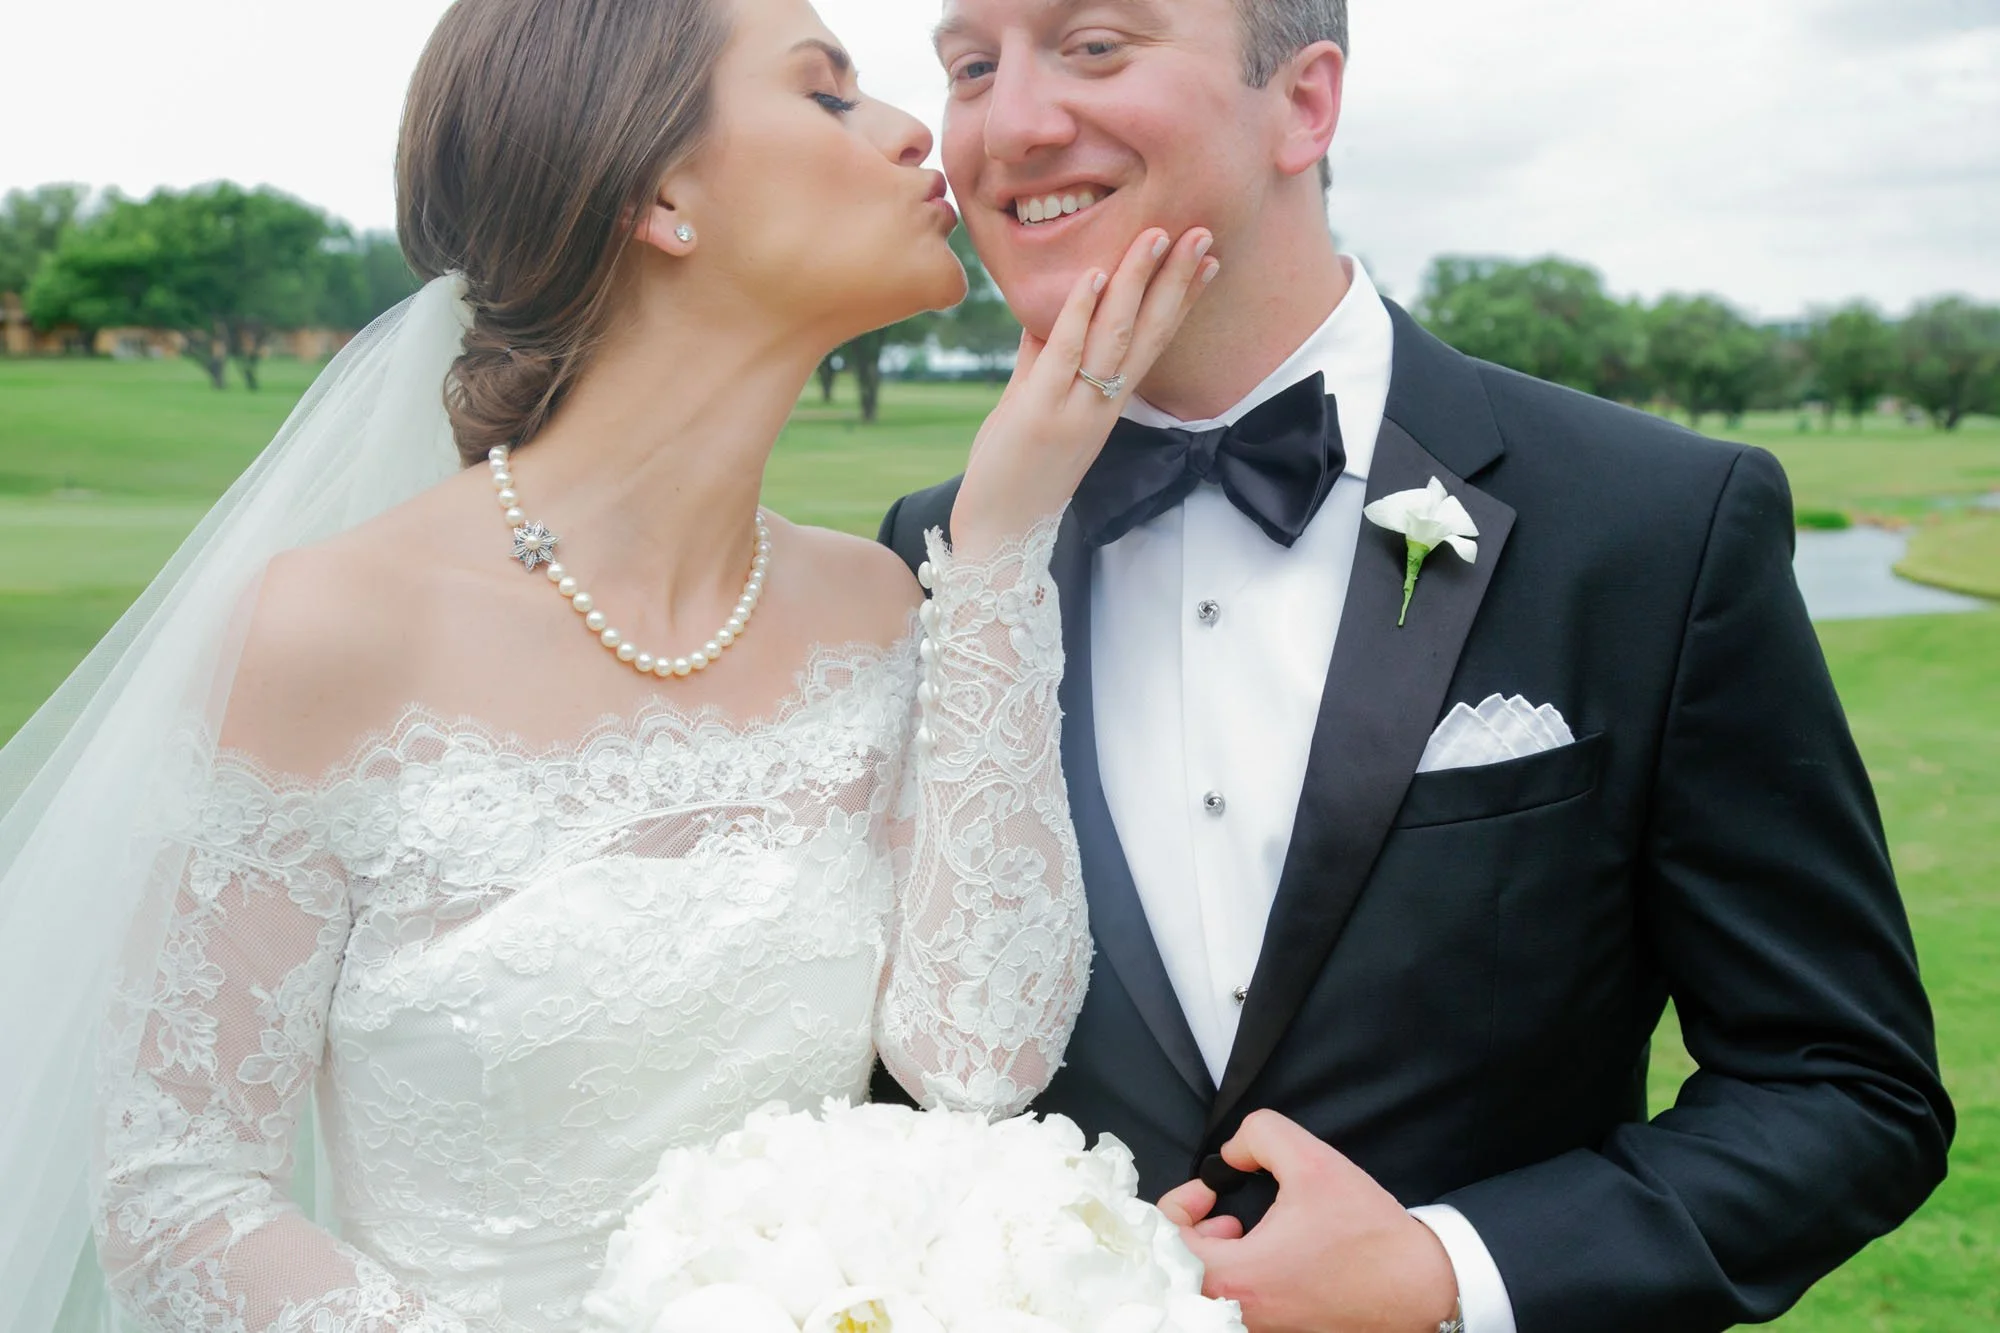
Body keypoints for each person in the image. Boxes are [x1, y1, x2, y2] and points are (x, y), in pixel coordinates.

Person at [0, 0, 1221, 1328]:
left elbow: (976, 1061)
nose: (911, 126)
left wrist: (1000, 546)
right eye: (825, 95)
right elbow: (180, 1193)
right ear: (659, 192)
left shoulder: (876, 606)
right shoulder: (330, 632)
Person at [877, 1, 1954, 1329]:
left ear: (1306, 104)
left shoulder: (1654, 523)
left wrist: (1447, 1269)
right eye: (972, 67)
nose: (1013, 123)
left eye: (1096, 44)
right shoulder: (932, 555)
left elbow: (1845, 1088)